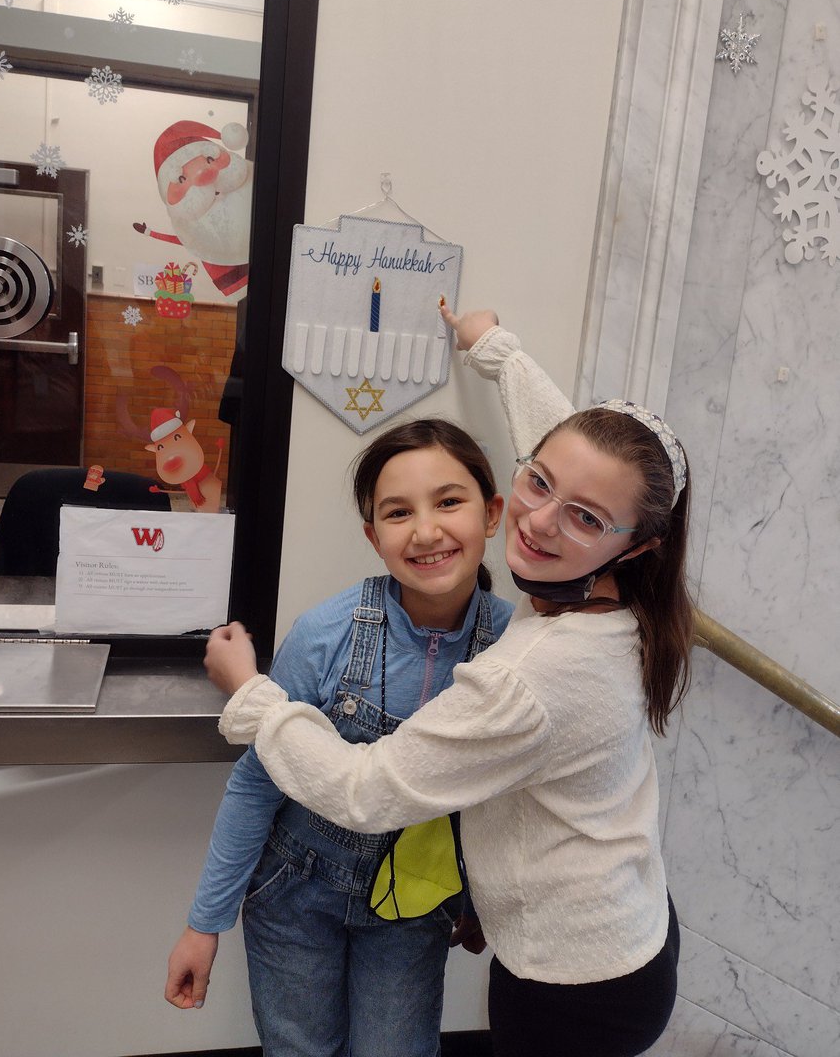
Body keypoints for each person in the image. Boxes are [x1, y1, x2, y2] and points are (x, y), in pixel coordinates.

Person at [202, 309, 693, 1057]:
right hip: (630, 926)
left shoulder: (526, 669)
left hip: (572, 983)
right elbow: (580, 456)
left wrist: (252, 694)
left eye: (585, 518)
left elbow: (367, 792)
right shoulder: (617, 591)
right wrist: (495, 349)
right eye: (538, 483)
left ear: (637, 547)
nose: (540, 523)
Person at [165, 415, 515, 1057]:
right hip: (295, 894)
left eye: (449, 501)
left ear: (492, 514)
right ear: (372, 534)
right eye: (398, 512)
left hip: (413, 907)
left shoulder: (516, 648)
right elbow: (254, 784)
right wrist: (204, 924)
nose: (427, 530)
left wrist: (478, 894)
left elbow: (501, 796)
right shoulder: (325, 633)